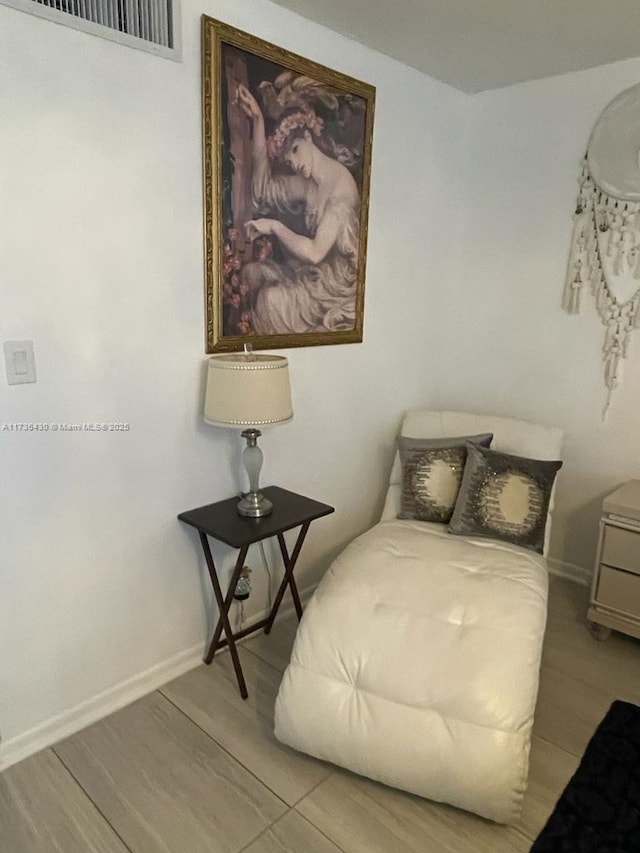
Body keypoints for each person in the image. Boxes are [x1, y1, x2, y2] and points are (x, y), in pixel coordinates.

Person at [234, 82, 360, 335]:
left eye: (296, 150)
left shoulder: (341, 191)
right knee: (251, 274)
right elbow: (264, 191)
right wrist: (258, 121)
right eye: (289, 161)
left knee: (270, 301)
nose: (295, 164)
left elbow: (315, 253)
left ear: (308, 137)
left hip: (335, 285)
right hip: (314, 275)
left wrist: (275, 227)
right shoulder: (308, 181)